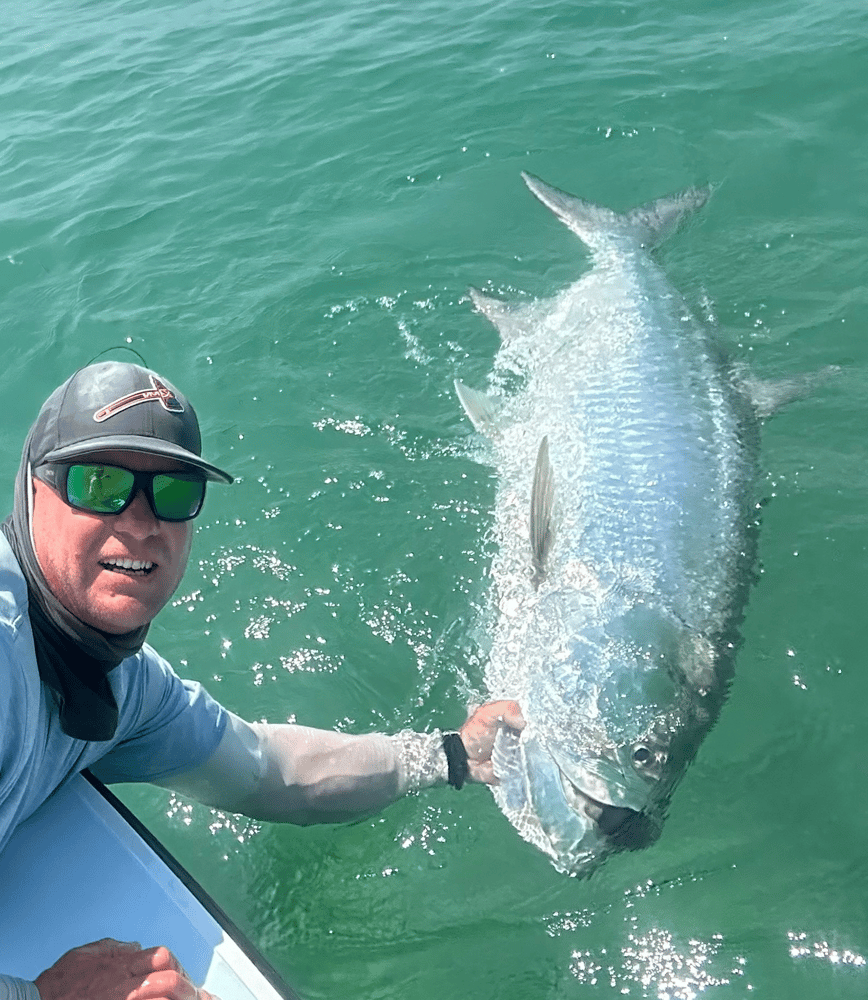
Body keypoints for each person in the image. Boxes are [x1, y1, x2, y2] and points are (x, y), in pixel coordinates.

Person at [0, 362, 524, 1000]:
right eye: (101, 482)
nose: (140, 522)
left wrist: (452, 755)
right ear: (33, 487)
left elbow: (269, 770)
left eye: (172, 492)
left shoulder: (121, 685)